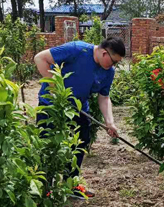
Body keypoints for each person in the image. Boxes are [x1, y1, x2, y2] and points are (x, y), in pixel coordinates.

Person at [34, 38, 125, 198]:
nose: (113, 66)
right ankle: (44, 187)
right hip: (52, 105)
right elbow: (40, 58)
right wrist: (57, 88)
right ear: (105, 53)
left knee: (81, 141)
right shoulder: (77, 49)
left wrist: (109, 122)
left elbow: (104, 97)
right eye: (113, 62)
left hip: (78, 109)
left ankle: (70, 185)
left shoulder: (108, 72)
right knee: (47, 144)